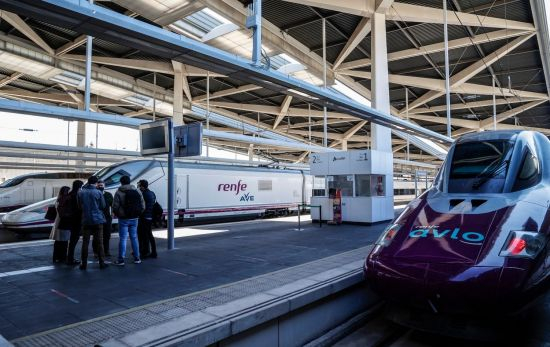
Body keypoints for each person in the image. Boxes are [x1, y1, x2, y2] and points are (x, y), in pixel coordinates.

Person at [112, 175, 144, 266]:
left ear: (121, 182)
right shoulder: (137, 191)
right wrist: (138, 213)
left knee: (123, 238)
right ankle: (137, 258)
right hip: (135, 218)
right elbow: (142, 205)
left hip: (123, 219)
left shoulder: (118, 192)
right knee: (134, 237)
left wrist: (119, 214)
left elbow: (115, 206)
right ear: (130, 181)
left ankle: (121, 260)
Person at [77, 175, 108, 270]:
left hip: (86, 220)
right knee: (99, 242)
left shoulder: (81, 193)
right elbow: (103, 205)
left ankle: (84, 264)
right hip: (98, 220)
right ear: (96, 183)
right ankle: (102, 263)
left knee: (85, 243)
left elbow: (79, 206)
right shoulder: (98, 192)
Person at [50, 186, 71, 263]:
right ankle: (62, 257)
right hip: (63, 221)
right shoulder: (65, 200)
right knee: (64, 241)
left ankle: (55, 257)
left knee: (58, 241)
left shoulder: (58, 199)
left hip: (57, 221)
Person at [93, 180, 113, 257]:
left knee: (107, 235)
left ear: (104, 186)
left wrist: (112, 214)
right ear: (96, 186)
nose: (100, 187)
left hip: (107, 217)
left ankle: (106, 251)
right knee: (97, 236)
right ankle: (96, 252)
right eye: (98, 186)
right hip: (97, 217)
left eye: (101, 185)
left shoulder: (108, 195)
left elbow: (112, 205)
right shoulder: (94, 194)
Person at [137, 179, 157, 259]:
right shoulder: (152, 193)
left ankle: (145, 252)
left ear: (142, 186)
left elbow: (141, 206)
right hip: (150, 216)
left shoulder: (143, 194)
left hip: (144, 217)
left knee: (144, 235)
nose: (138, 186)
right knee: (149, 234)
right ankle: (153, 252)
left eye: (139, 185)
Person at [66, 179, 84, 266]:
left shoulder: (70, 194)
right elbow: (79, 208)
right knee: (74, 239)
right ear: (79, 187)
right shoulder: (76, 195)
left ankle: (70, 257)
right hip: (76, 219)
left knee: (72, 240)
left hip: (70, 219)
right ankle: (70, 259)